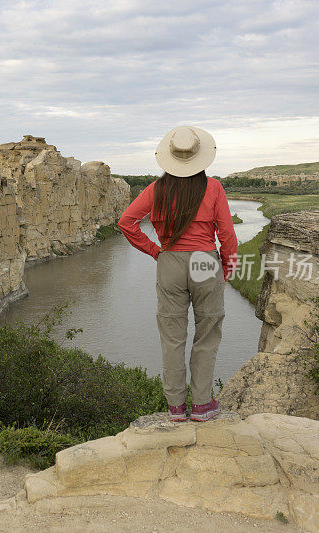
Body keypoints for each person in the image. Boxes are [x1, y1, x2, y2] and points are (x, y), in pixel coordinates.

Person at [117, 126, 238, 422]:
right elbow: (227, 235)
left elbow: (126, 222)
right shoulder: (214, 188)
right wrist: (227, 269)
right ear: (201, 157)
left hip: (169, 263)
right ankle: (201, 406)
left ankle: (175, 408)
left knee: (172, 338)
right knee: (207, 335)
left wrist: (155, 251)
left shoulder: (155, 190)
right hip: (204, 263)